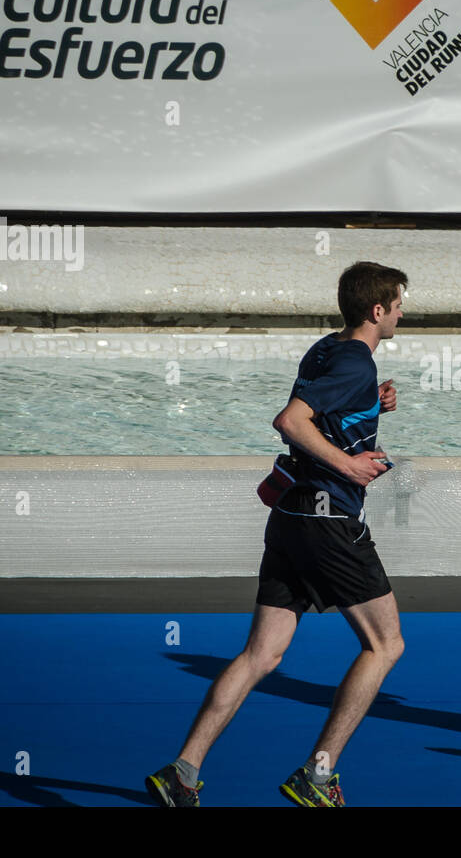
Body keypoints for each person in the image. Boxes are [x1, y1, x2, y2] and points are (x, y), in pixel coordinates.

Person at [147, 260, 408, 807]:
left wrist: (368, 399)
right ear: (377, 310)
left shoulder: (326, 349)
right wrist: (351, 466)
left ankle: (183, 772)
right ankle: (318, 776)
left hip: (289, 517)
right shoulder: (355, 362)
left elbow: (321, 405)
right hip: (329, 522)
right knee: (385, 644)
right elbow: (291, 420)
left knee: (261, 655)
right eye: (399, 305)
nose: (403, 313)